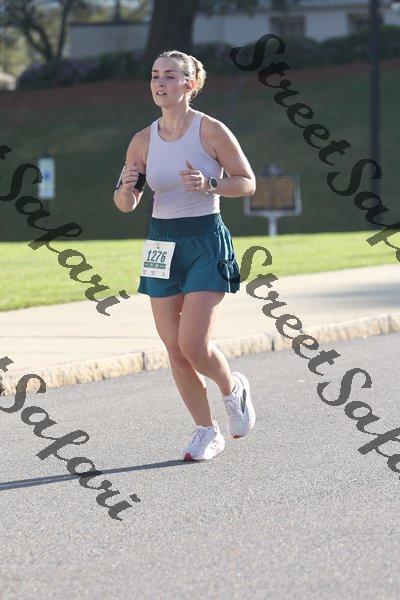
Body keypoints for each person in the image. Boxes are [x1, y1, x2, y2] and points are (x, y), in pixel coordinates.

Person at [113, 50, 256, 462]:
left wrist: (210, 183)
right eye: (155, 75)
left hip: (205, 238)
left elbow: (246, 182)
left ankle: (232, 388)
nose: (160, 83)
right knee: (174, 348)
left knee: (193, 343)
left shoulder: (211, 130)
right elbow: (126, 204)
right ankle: (206, 431)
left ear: (189, 84)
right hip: (161, 243)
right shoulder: (142, 140)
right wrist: (124, 187)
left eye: (170, 76)